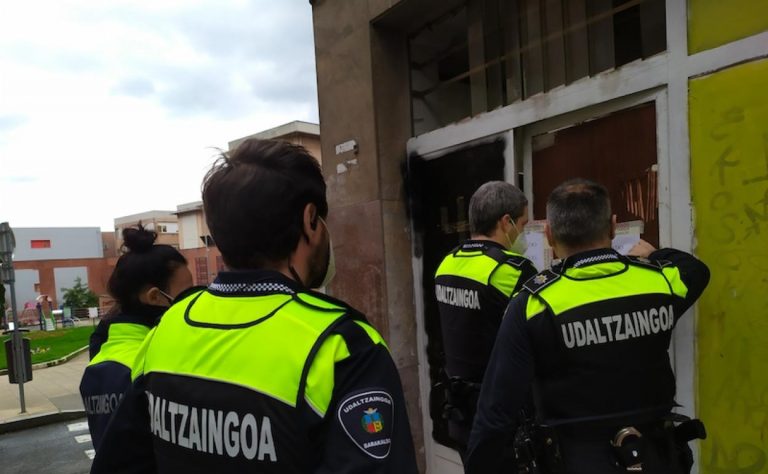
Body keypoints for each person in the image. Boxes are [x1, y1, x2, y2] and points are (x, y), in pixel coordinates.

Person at [91, 139, 418, 473]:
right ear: (310, 220)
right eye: (323, 220)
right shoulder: (342, 346)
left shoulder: (167, 329)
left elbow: (119, 464)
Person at [465, 178, 710, 474]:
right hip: (657, 458)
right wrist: (653, 255)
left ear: (549, 235)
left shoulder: (533, 305)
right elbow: (696, 270)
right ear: (613, 227)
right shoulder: (660, 282)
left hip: (576, 461)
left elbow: (495, 415)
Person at [433, 181, 537, 456]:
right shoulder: (513, 271)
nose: (523, 233)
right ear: (506, 222)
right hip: (502, 418)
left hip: (459, 411)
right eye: (523, 225)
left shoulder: (447, 263)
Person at [79, 225, 194, 451]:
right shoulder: (153, 364)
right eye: (186, 293)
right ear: (154, 297)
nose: (192, 301)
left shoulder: (99, 360)